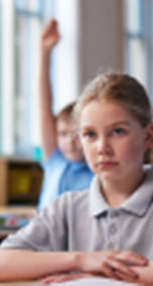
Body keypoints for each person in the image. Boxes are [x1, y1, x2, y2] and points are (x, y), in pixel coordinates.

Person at [0, 73, 153, 284]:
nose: (102, 148)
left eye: (118, 132)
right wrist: (81, 260)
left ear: (148, 136)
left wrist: (99, 276)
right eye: (90, 135)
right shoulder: (67, 207)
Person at [36, 19, 93, 210]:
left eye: (77, 134)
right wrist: (45, 53)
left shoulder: (98, 174)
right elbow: (45, 108)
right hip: (42, 238)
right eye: (63, 134)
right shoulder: (55, 160)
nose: (70, 141)